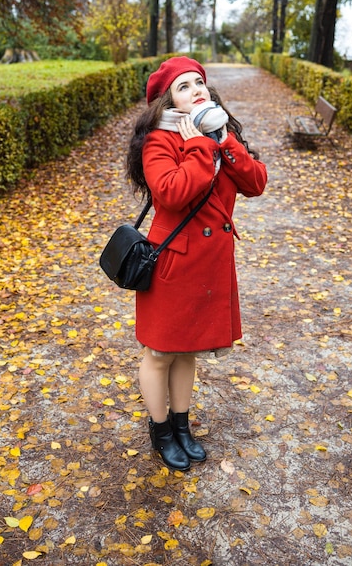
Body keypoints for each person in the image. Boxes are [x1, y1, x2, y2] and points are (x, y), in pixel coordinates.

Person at [126, 56, 267, 471]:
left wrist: (222, 139)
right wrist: (201, 146)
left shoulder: (219, 130)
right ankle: (161, 431)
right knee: (159, 353)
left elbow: (256, 182)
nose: (196, 90)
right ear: (166, 100)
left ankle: (182, 427)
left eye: (199, 82)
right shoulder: (160, 140)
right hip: (173, 264)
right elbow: (170, 193)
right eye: (183, 86)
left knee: (187, 352)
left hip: (209, 264)